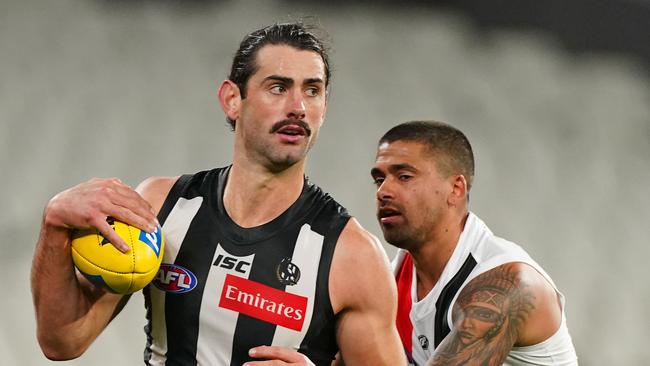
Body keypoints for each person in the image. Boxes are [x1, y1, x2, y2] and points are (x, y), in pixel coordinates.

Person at [31, 22, 406, 366]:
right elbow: (63, 341)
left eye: (313, 90)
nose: (298, 108)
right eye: (278, 87)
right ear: (232, 99)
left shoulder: (352, 256)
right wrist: (54, 224)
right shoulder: (162, 205)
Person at [370, 121, 578, 365]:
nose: (383, 191)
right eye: (379, 179)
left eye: (404, 177)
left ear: (456, 188)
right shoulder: (399, 272)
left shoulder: (506, 287)